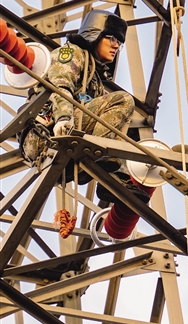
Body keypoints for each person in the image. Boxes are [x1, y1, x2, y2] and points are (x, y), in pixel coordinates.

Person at [19, 10, 146, 202]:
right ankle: (101, 157)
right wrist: (63, 118)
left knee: (120, 124)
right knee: (123, 100)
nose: (115, 46)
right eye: (112, 38)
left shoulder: (94, 77)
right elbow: (59, 84)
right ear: (94, 34)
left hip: (59, 140)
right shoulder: (71, 52)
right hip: (45, 135)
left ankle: (114, 176)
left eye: (119, 43)